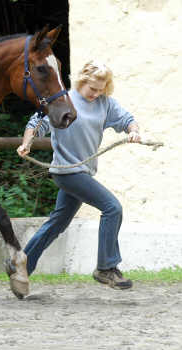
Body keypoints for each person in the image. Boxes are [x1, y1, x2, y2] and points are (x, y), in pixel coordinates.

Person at [17, 60, 141, 290]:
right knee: (112, 208)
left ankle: (21, 264)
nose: (96, 93)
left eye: (101, 89)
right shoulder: (65, 100)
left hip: (83, 172)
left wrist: (133, 131)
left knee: (58, 223)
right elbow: (36, 123)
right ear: (82, 81)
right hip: (66, 171)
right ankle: (106, 268)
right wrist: (27, 143)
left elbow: (127, 120)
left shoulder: (105, 104)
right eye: (92, 88)